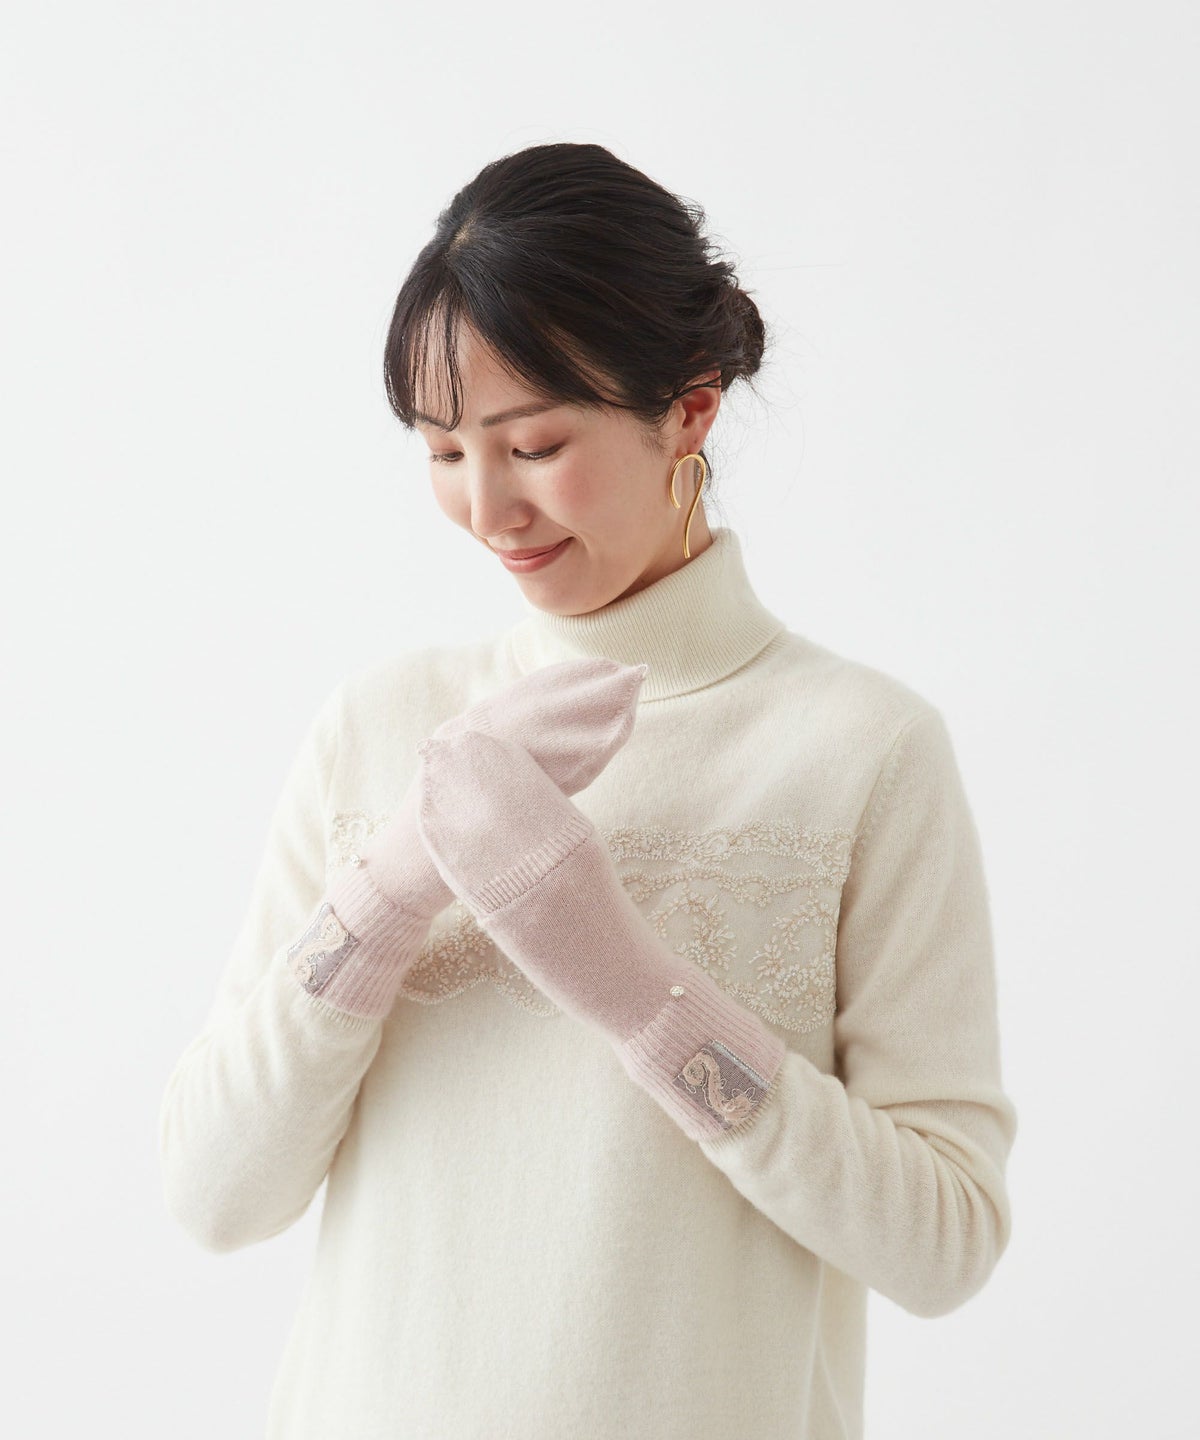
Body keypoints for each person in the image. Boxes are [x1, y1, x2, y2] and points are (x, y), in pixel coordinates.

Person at [158, 141, 1018, 1439]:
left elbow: (944, 1245)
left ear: (691, 411)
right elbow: (215, 1193)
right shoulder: (382, 728)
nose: (487, 507)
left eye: (535, 444)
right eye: (443, 452)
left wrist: (629, 985)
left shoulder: (863, 750)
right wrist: (389, 890)